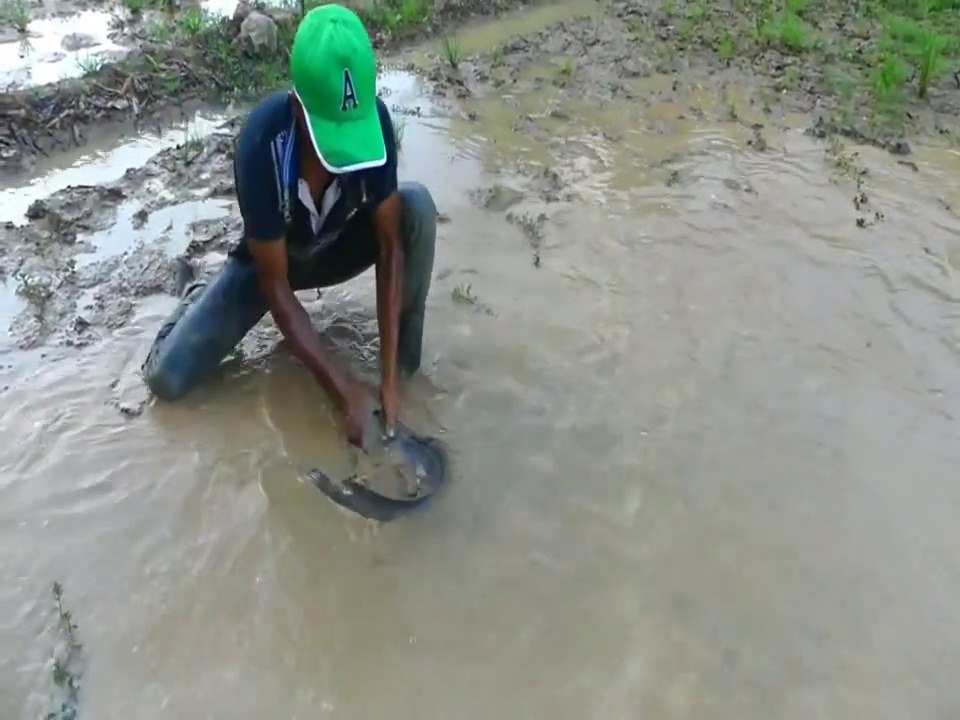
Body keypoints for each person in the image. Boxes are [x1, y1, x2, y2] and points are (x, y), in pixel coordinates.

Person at [141, 3, 437, 447]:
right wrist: (343, 393)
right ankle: (193, 295)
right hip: (270, 267)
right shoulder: (261, 142)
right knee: (168, 380)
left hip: (332, 247)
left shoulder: (373, 123)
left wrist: (388, 379)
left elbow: (390, 246)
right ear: (298, 110)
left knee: (415, 208)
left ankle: (405, 370)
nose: (344, 157)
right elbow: (275, 285)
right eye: (330, 139)